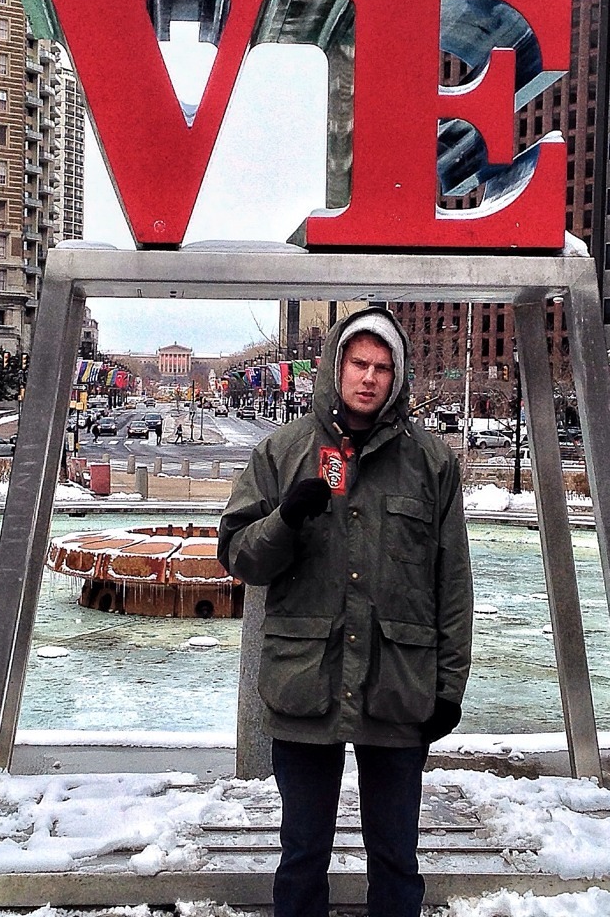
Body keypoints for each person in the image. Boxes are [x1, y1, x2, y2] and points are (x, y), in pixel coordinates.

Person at [219, 309, 473, 917]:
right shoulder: (284, 451)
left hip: (398, 686)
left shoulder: (432, 462)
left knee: (397, 858)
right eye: (359, 363)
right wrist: (284, 519)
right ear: (337, 367)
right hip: (306, 682)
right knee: (302, 855)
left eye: (382, 367)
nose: (369, 377)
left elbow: (452, 582)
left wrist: (449, 687)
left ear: (397, 377)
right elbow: (238, 557)